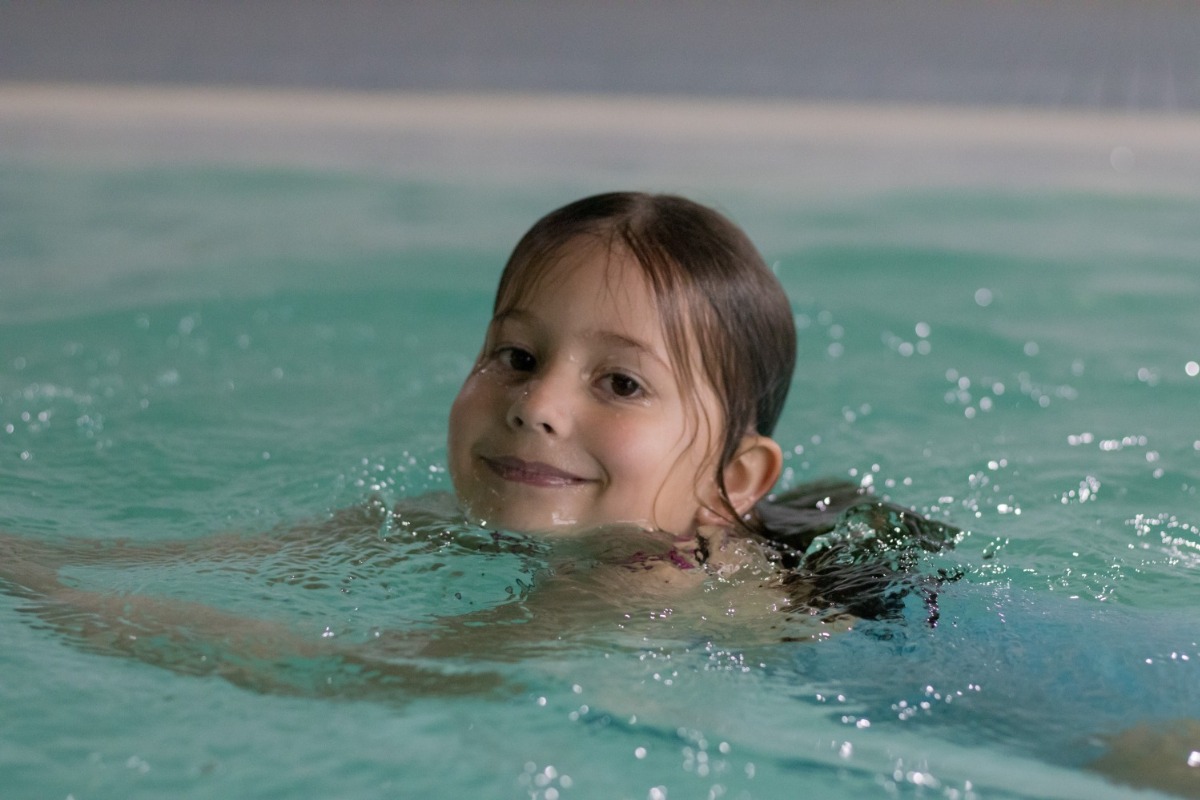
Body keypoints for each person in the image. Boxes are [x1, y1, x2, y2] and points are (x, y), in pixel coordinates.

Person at [0, 191, 954, 684]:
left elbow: (361, 675)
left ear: (733, 478)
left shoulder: (645, 589)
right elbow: (190, 558)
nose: (538, 405)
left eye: (620, 382)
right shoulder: (444, 514)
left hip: (925, 665)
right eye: (516, 354)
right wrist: (31, 561)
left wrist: (64, 611)